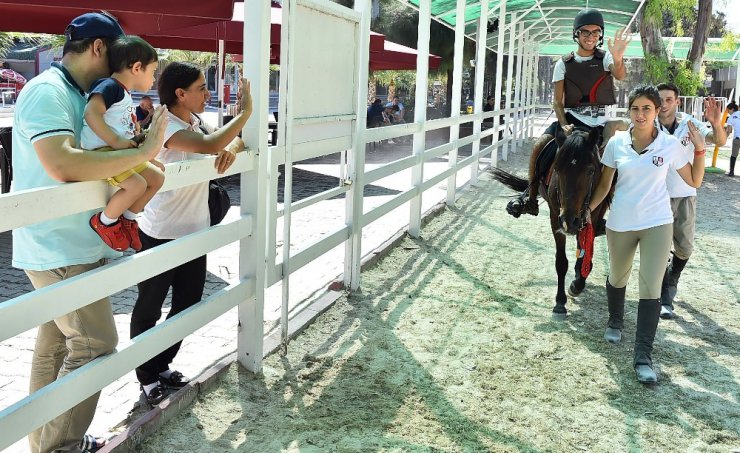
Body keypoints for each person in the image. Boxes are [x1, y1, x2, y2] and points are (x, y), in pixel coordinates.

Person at [11, 12, 167, 453]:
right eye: (117, 53)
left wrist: (137, 154)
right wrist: (144, 152)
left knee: (57, 345)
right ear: (100, 48)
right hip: (58, 246)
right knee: (96, 344)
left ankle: (43, 443)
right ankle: (59, 447)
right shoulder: (48, 91)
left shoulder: (79, 93)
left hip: (66, 242)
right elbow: (64, 164)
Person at [130, 62, 251, 406]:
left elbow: (227, 141)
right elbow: (215, 141)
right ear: (181, 93)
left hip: (194, 231)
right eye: (201, 87)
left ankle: (161, 364)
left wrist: (231, 147)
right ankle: (146, 375)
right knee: (150, 307)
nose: (207, 92)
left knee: (187, 304)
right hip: (159, 232)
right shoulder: (164, 124)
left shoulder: (195, 122)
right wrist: (245, 113)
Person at [587, 85, 706, 384]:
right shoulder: (616, 143)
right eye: (635, 109)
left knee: (650, 286)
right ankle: (615, 319)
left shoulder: (668, 145)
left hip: (657, 222)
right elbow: (604, 186)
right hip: (621, 223)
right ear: (629, 111)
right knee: (618, 275)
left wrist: (701, 149)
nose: (640, 115)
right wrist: (586, 211)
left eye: (647, 109)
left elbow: (694, 180)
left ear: (657, 112)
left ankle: (643, 356)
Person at [511, 8, 630, 217]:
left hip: (602, 124)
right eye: (585, 32)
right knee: (540, 145)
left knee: (620, 157)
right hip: (573, 120)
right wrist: (563, 122)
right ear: (576, 34)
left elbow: (619, 74)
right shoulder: (563, 63)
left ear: (600, 35)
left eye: (595, 33)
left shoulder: (606, 58)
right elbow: (557, 101)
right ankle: (530, 198)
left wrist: (618, 58)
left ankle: (615, 204)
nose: (591, 37)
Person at [82, 36, 165, 252]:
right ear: (137, 67)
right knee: (137, 185)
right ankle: (105, 221)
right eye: (153, 71)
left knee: (157, 177)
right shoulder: (109, 86)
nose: (154, 78)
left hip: (118, 151)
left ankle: (128, 218)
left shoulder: (123, 92)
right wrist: (117, 141)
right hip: (103, 152)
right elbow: (91, 114)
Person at [655, 83, 727, 319]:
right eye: (660, 100)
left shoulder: (689, 124)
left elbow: (719, 141)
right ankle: (665, 298)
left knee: (684, 248)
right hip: (657, 196)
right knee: (661, 248)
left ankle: (673, 275)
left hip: (686, 194)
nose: (664, 104)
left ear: (677, 102)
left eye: (668, 100)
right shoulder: (649, 125)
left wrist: (716, 123)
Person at [726, 101, 740, 176]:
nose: (728, 112)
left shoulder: (731, 118)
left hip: (737, 139)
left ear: (731, 109)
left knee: (734, 155)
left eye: (728, 110)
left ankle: (731, 172)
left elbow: (729, 131)